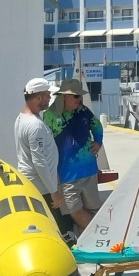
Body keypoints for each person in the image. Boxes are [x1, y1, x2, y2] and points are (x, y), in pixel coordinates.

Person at [14, 77, 76, 239]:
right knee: (55, 230)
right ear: (38, 97)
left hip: (36, 183)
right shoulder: (35, 126)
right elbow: (39, 161)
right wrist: (53, 192)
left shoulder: (21, 118)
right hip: (42, 187)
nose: (50, 98)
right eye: (48, 95)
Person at [44, 78, 103, 232]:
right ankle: (98, 233)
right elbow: (45, 146)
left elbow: (97, 125)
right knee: (73, 210)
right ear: (64, 96)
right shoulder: (50, 116)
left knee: (91, 209)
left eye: (80, 96)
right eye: (76, 96)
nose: (80, 99)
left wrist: (98, 142)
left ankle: (90, 240)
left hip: (89, 171)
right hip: (67, 176)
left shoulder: (83, 110)